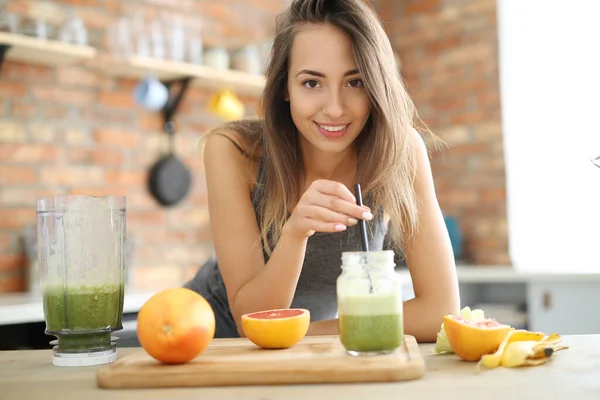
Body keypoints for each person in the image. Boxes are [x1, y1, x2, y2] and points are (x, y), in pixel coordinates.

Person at [185, 0, 460, 342]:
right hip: (207, 339)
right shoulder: (234, 150)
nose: (334, 109)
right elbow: (249, 321)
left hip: (304, 347)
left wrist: (309, 335)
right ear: (284, 86)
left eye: (355, 82)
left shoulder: (400, 152)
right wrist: (295, 233)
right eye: (312, 83)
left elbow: (441, 310)